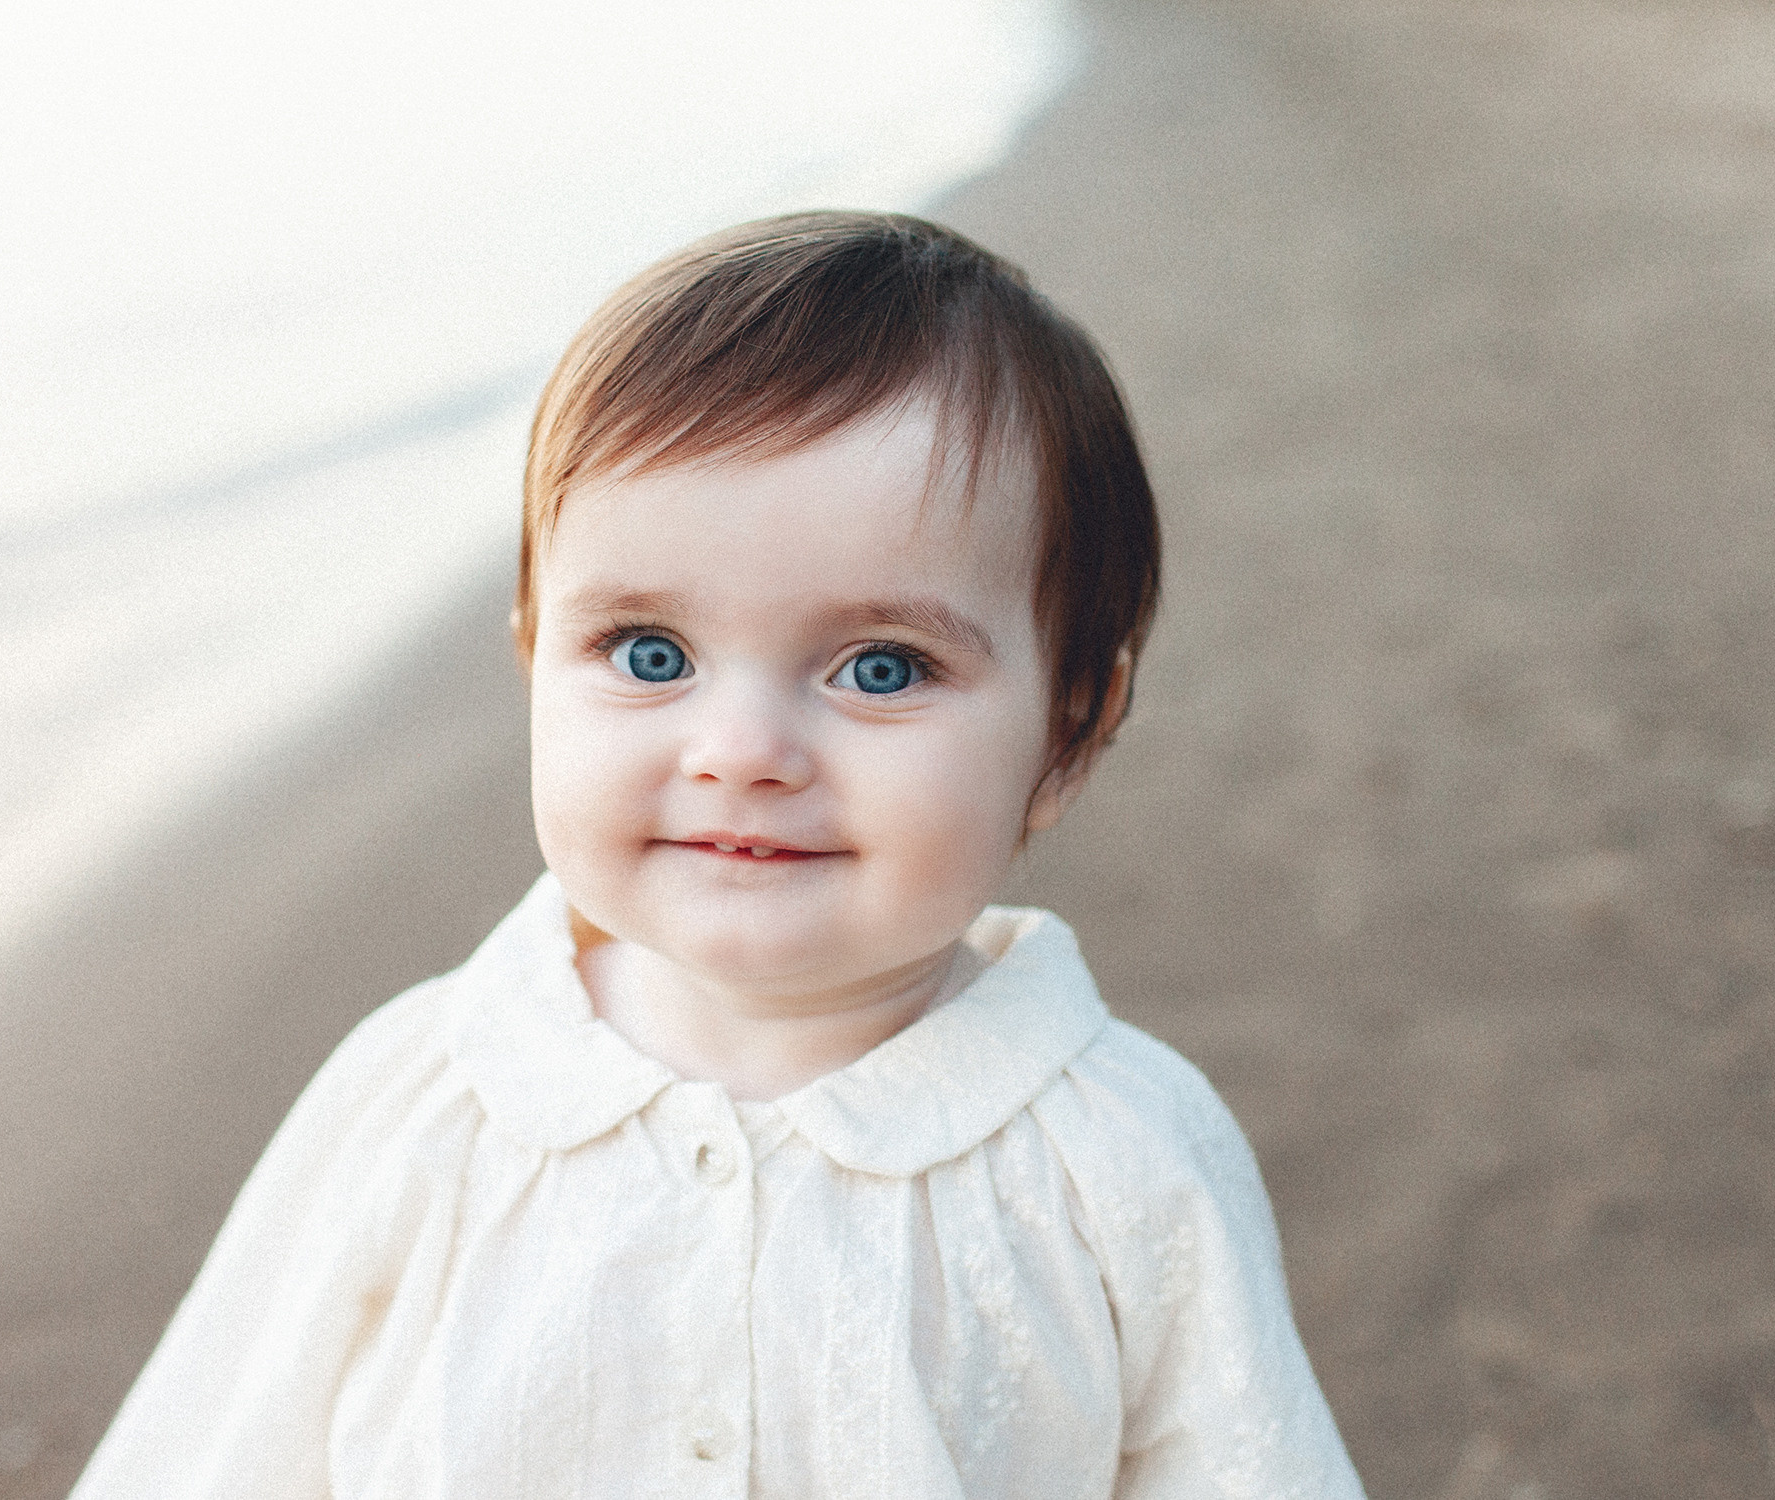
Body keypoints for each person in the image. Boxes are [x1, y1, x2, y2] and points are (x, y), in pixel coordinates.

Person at [70, 212, 1365, 1498]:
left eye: (879, 667)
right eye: (649, 653)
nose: (741, 748)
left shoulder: (1119, 1162)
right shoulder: (424, 1100)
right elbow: (215, 1449)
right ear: (534, 657)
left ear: (1071, 731)